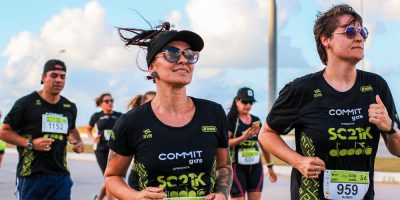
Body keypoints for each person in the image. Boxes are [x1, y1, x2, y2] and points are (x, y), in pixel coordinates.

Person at [258, 4, 400, 200]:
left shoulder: (376, 86)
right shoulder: (302, 89)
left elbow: (397, 149)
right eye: (350, 31)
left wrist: (391, 127)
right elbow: (266, 134)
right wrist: (298, 161)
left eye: (362, 32)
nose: (359, 37)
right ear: (326, 40)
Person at [104, 22, 233, 200]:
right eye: (172, 53)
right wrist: (136, 197)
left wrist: (222, 193)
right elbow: (112, 176)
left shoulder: (213, 113)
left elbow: (224, 165)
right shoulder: (131, 122)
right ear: (152, 68)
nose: (183, 60)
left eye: (190, 54)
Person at [0, 59, 84, 200]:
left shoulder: (69, 107)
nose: (58, 80)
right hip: (31, 176)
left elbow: (72, 129)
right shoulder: (25, 104)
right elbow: (4, 132)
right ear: (43, 77)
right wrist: (30, 143)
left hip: (60, 176)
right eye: (53, 75)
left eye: (62, 77)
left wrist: (78, 142)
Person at [227, 87, 277, 200]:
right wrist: (244, 137)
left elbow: (264, 145)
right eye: (244, 101)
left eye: (251, 102)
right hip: (236, 168)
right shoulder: (231, 119)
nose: (248, 105)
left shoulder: (256, 120)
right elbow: (224, 143)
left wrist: (270, 166)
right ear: (236, 101)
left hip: (255, 167)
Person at [86, 93, 122, 200]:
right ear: (101, 104)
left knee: (111, 178)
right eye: (107, 101)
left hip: (115, 150)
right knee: (109, 178)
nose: (110, 103)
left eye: (112, 100)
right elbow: (88, 129)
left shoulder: (119, 115)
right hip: (101, 149)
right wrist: (93, 138)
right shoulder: (96, 116)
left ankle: (98, 199)